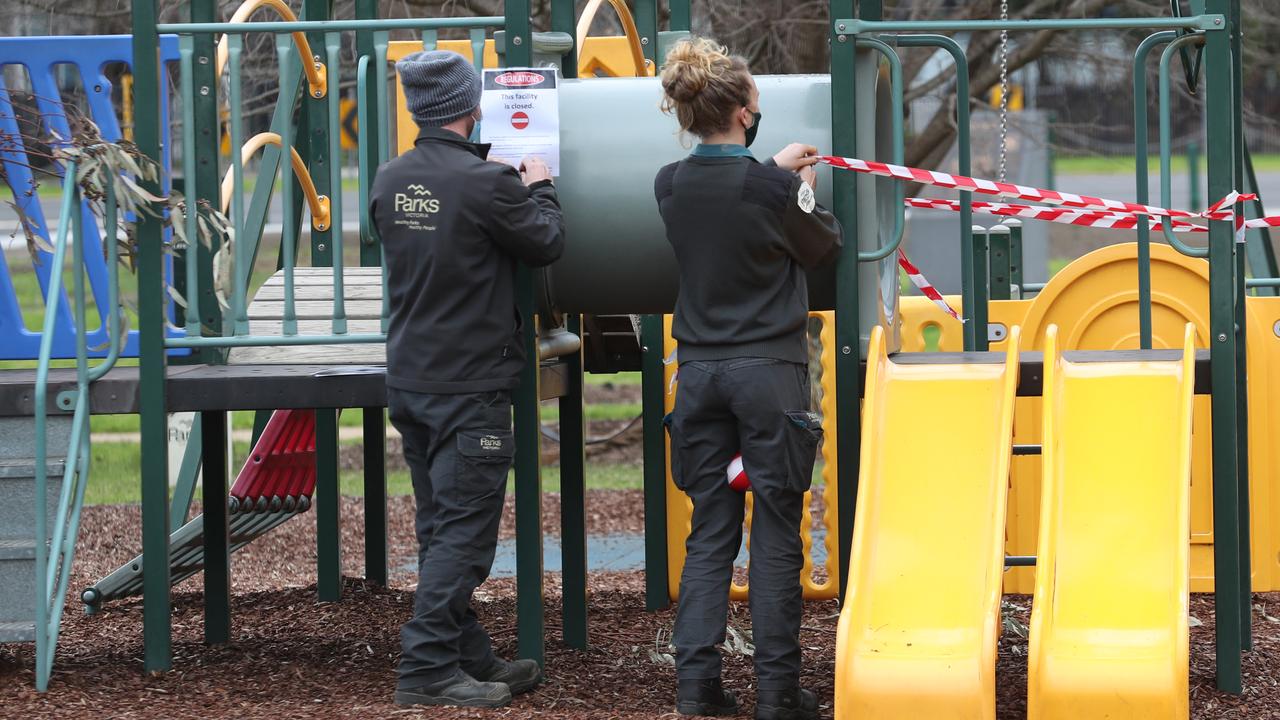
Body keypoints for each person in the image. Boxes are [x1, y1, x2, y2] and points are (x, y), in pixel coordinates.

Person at [369, 50, 565, 709]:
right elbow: (545, 242)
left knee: (439, 526)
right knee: (465, 536)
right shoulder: (488, 183)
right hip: (470, 387)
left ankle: (468, 655)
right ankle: (426, 668)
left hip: (412, 378)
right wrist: (539, 185)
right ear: (471, 105)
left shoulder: (389, 180)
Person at [654, 38, 843, 720]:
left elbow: (723, 201)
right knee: (775, 532)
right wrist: (795, 185)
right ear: (740, 111)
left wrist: (770, 174)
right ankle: (777, 695)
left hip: (699, 373)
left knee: (711, 529)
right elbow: (825, 243)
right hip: (770, 374)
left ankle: (696, 689)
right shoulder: (771, 187)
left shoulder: (667, 185)